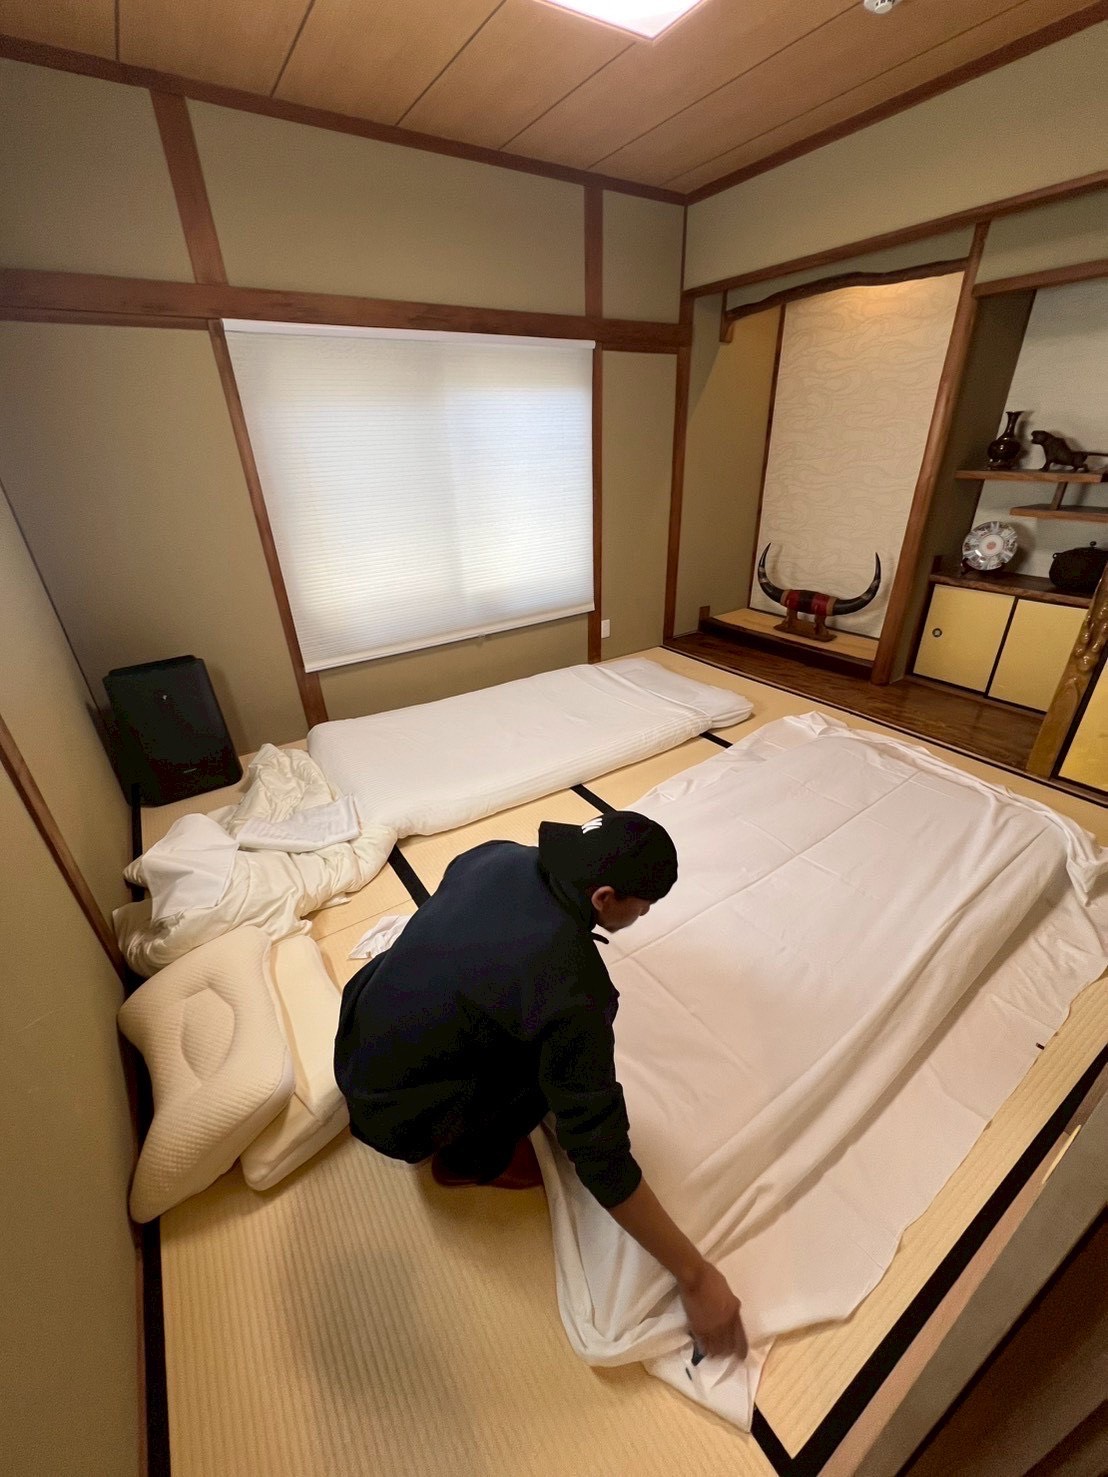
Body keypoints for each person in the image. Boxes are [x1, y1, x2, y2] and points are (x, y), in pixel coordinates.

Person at [334, 809, 747, 1360]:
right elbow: (599, 1151)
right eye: (644, 905)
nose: (645, 913)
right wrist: (696, 1276)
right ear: (604, 898)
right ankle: (469, 1161)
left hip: (356, 1035)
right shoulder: (574, 988)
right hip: (399, 1119)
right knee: (554, 1073)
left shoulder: (495, 855)